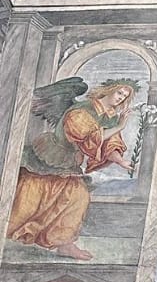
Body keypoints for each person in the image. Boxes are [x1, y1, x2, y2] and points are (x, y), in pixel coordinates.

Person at [8, 77, 138, 261]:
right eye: (119, 93)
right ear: (109, 89)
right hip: (52, 153)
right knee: (31, 192)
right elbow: (85, 137)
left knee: (79, 195)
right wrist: (119, 126)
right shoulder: (82, 109)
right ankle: (13, 227)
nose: (120, 99)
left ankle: (64, 243)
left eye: (124, 97)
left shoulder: (110, 117)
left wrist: (120, 161)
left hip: (69, 161)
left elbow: (109, 143)